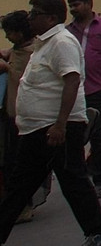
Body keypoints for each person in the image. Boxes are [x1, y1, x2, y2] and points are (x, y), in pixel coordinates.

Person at [0, 0, 101, 246]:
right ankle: (99, 233)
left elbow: (72, 80)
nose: (30, 18)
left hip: (55, 130)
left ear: (51, 18)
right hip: (38, 130)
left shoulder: (62, 42)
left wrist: (61, 124)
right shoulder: (45, 43)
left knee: (72, 183)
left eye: (35, 14)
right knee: (22, 186)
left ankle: (100, 234)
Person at [66, 0, 101, 198]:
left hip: (96, 89)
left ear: (88, 4)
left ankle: (99, 181)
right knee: (74, 136)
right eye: (70, 6)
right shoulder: (67, 31)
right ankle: (79, 179)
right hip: (72, 91)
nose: (72, 9)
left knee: (97, 137)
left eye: (76, 5)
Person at [0, 11, 49, 225]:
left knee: (20, 164)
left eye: (11, 32)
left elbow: (24, 78)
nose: (8, 36)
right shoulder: (18, 50)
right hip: (11, 114)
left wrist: (6, 68)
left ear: (20, 32)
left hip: (26, 117)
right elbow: (9, 53)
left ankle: (25, 205)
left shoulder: (32, 52)